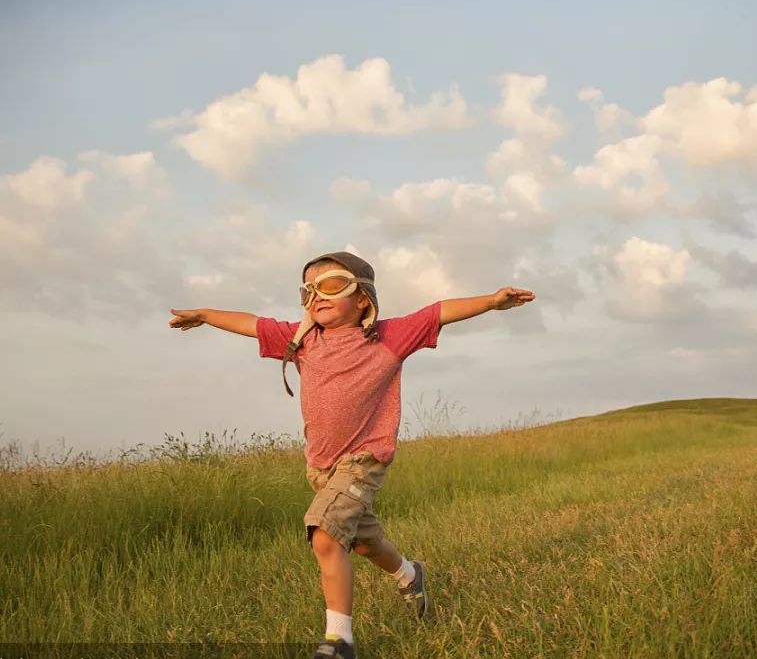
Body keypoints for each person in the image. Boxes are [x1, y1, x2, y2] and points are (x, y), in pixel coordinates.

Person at [168, 250, 535, 659]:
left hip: (364, 460)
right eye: (308, 290)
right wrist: (203, 314)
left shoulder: (388, 336)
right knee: (362, 542)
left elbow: (438, 312)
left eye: (330, 285)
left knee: (325, 534)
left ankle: (339, 640)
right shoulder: (302, 338)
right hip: (321, 465)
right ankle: (410, 574)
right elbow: (250, 323)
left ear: (362, 298)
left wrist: (491, 301)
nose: (316, 296)